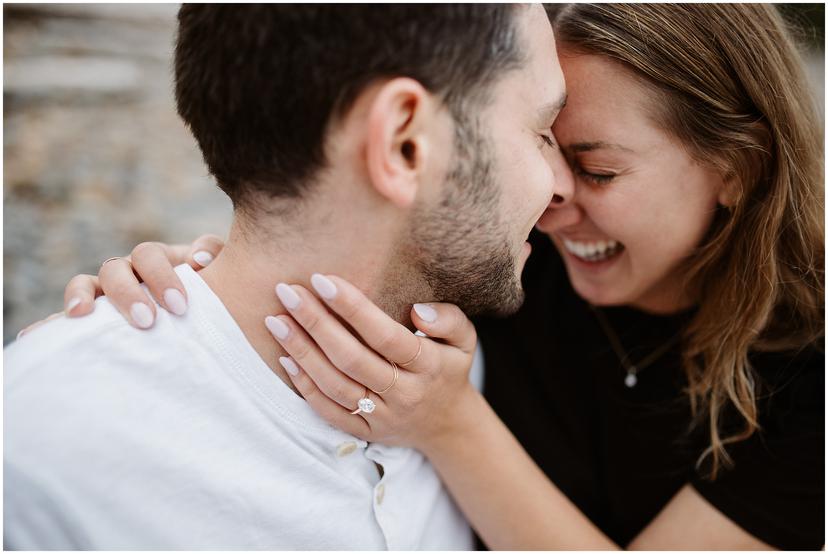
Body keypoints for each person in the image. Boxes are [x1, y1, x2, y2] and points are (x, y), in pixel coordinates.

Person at [52, 3, 825, 550]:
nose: (553, 197)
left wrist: (450, 424)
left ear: (738, 166)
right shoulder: (509, 267)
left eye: (596, 168)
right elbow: (346, 237)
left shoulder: (810, 367)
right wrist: (178, 299)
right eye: (538, 144)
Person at [4, 5, 572, 549]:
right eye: (542, 132)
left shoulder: (447, 370)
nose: (562, 187)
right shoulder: (36, 453)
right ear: (403, 144)